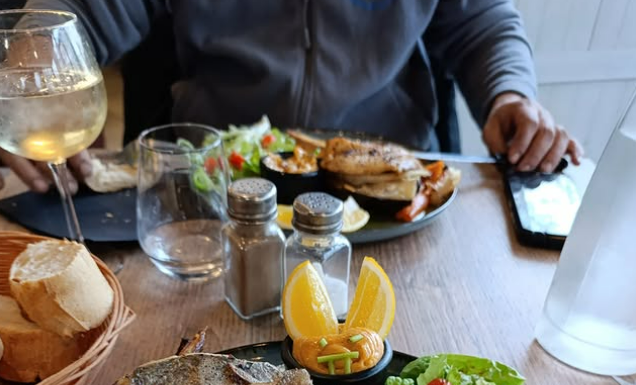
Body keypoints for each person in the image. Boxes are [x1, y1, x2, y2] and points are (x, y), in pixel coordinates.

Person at [0, 0, 582, 194]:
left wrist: (511, 95)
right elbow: (76, 12)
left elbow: (481, 22)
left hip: (391, 186)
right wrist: (21, 88)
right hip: (214, 188)